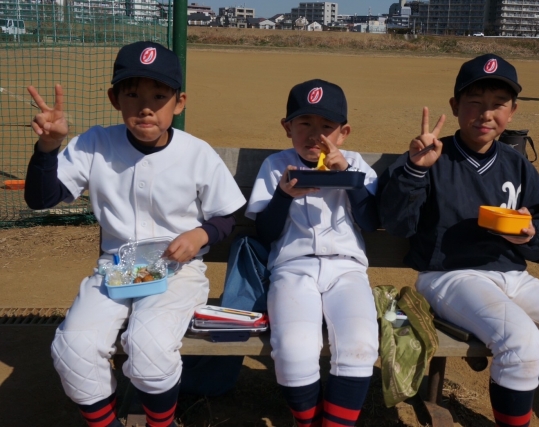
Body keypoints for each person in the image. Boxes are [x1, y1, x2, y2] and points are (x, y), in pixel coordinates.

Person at [378, 54, 539, 427]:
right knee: (521, 344)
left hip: (513, 277)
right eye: (475, 102)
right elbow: (396, 225)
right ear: (455, 106)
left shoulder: (516, 164)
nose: (486, 113)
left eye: (498, 104)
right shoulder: (431, 157)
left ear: (512, 111)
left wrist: (530, 235)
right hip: (447, 276)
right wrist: (414, 170)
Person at [24, 41, 246, 427]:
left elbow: (226, 214)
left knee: (149, 348)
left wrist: (201, 234)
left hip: (177, 272)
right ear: (115, 99)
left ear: (179, 103)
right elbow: (42, 198)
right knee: (73, 347)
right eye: (132, 95)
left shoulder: (196, 153)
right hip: (116, 269)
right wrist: (48, 147)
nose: (146, 107)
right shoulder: (95, 144)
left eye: (159, 96)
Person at [245, 79, 380, 427]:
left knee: (360, 346)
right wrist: (284, 195)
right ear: (287, 127)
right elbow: (266, 233)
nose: (315, 135)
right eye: (304, 123)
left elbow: (370, 220)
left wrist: (347, 176)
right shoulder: (276, 166)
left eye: (326, 126)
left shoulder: (355, 163)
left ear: (343, 133)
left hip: (347, 271)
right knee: (294, 349)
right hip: (293, 269)